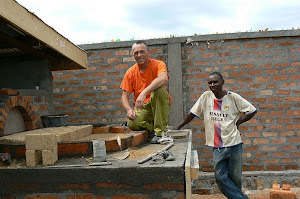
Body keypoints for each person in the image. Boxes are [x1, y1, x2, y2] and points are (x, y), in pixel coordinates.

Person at [176, 71, 257, 199]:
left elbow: (252, 110)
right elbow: (192, 114)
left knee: (235, 179)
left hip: (234, 144)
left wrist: (238, 122)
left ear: (222, 83)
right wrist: (178, 127)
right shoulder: (206, 97)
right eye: (210, 83)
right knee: (220, 177)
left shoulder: (232, 97)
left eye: (215, 82)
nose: (212, 85)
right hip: (217, 146)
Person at [120, 41, 172, 144]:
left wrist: (144, 92)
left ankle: (159, 133)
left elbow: (163, 78)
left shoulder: (158, 64)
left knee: (158, 89)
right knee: (132, 123)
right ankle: (152, 127)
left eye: (142, 52)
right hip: (143, 107)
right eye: (136, 53)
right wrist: (129, 109)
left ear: (148, 52)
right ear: (133, 55)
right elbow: (124, 97)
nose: (139, 55)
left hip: (159, 103)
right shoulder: (130, 72)